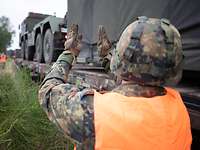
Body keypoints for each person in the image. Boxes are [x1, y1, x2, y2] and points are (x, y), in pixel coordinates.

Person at [39, 17, 192, 149]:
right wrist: (107, 57)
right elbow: (137, 81)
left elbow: (47, 91)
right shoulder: (178, 110)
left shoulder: (92, 112)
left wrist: (69, 53)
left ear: (121, 57)